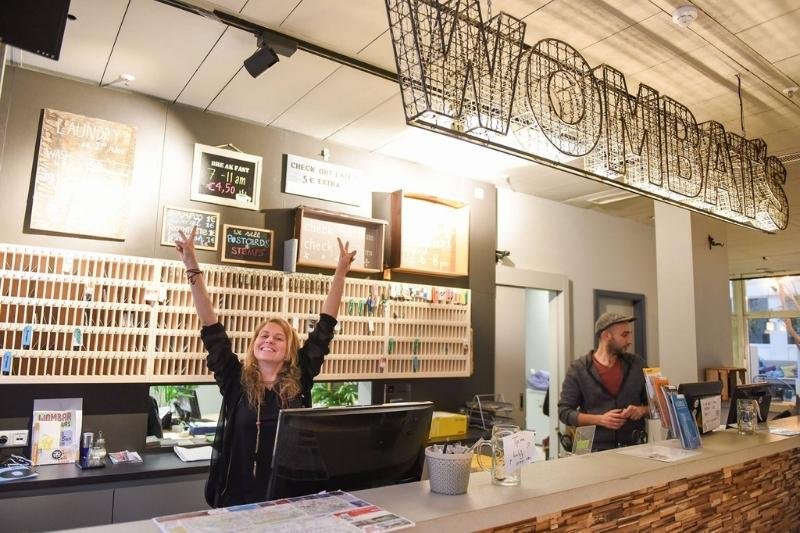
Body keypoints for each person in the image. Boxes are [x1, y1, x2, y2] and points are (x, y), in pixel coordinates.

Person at [174, 226, 356, 507]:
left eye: (278, 338)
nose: (269, 340)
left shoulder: (301, 377)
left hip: (291, 498)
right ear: (255, 344)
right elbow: (210, 324)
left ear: (289, 351)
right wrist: (191, 265)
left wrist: (341, 272)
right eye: (264, 335)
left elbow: (326, 325)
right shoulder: (235, 380)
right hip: (238, 498)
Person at [557, 312, 648, 451]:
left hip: (632, 448)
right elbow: (564, 412)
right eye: (624, 335)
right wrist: (600, 420)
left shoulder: (637, 364)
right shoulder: (578, 368)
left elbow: (657, 406)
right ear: (606, 335)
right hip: (588, 448)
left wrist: (641, 410)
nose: (629, 340)